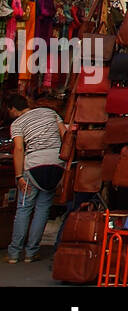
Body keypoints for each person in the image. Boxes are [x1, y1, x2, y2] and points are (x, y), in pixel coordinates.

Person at [5, 93, 65, 263]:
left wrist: (19, 177)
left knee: (24, 209)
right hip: (56, 165)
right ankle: (31, 253)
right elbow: (65, 135)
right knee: (42, 209)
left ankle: (14, 254)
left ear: (13, 109)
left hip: (33, 167)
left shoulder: (17, 123)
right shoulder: (50, 113)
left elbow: (18, 149)